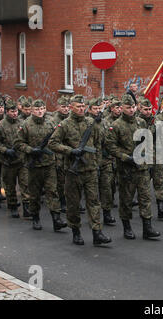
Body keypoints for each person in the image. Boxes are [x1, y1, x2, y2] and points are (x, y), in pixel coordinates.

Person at [48, 95, 111, 246]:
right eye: (78, 107)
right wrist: (70, 151)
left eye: (83, 107)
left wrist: (97, 162)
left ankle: (97, 232)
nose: (81, 109)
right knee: (73, 204)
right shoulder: (64, 125)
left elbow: (98, 143)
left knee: (94, 202)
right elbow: (52, 143)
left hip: (90, 169)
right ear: (71, 107)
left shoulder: (90, 122)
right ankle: (76, 231)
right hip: (72, 170)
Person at [106, 94, 160, 240]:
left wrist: (150, 160)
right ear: (122, 108)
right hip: (126, 169)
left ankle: (147, 228)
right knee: (126, 200)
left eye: (133, 107)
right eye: (128, 107)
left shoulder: (141, 122)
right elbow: (110, 146)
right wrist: (125, 157)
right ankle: (127, 227)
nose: (131, 110)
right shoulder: (116, 125)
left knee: (145, 198)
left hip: (142, 168)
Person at [15, 99, 67, 232]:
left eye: (42, 108)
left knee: (52, 191)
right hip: (34, 165)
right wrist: (31, 150)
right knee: (34, 194)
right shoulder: (26, 125)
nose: (40, 111)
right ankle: (36, 218)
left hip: (49, 163)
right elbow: (18, 143)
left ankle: (56, 219)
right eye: (37, 109)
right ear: (32, 110)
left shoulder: (51, 123)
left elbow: (57, 140)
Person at [0, 99, 30, 218]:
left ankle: (27, 208)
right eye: (12, 111)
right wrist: (5, 150)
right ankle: (13, 206)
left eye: (16, 111)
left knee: (25, 184)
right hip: (8, 161)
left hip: (21, 160)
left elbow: (27, 138)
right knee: (10, 185)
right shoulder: (1, 125)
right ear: (7, 112)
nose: (15, 114)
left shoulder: (22, 123)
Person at [88, 98, 117, 226]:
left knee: (107, 188)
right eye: (95, 109)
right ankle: (94, 217)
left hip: (105, 161)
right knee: (92, 192)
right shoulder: (86, 123)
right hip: (90, 162)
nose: (98, 111)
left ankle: (107, 213)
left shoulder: (105, 123)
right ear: (89, 110)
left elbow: (109, 140)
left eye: (100, 109)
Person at [53, 96, 71, 212]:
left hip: (69, 154)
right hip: (59, 154)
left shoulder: (70, 119)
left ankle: (71, 201)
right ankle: (62, 201)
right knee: (61, 180)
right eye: (63, 107)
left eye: (67, 107)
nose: (65, 109)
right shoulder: (54, 121)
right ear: (58, 107)